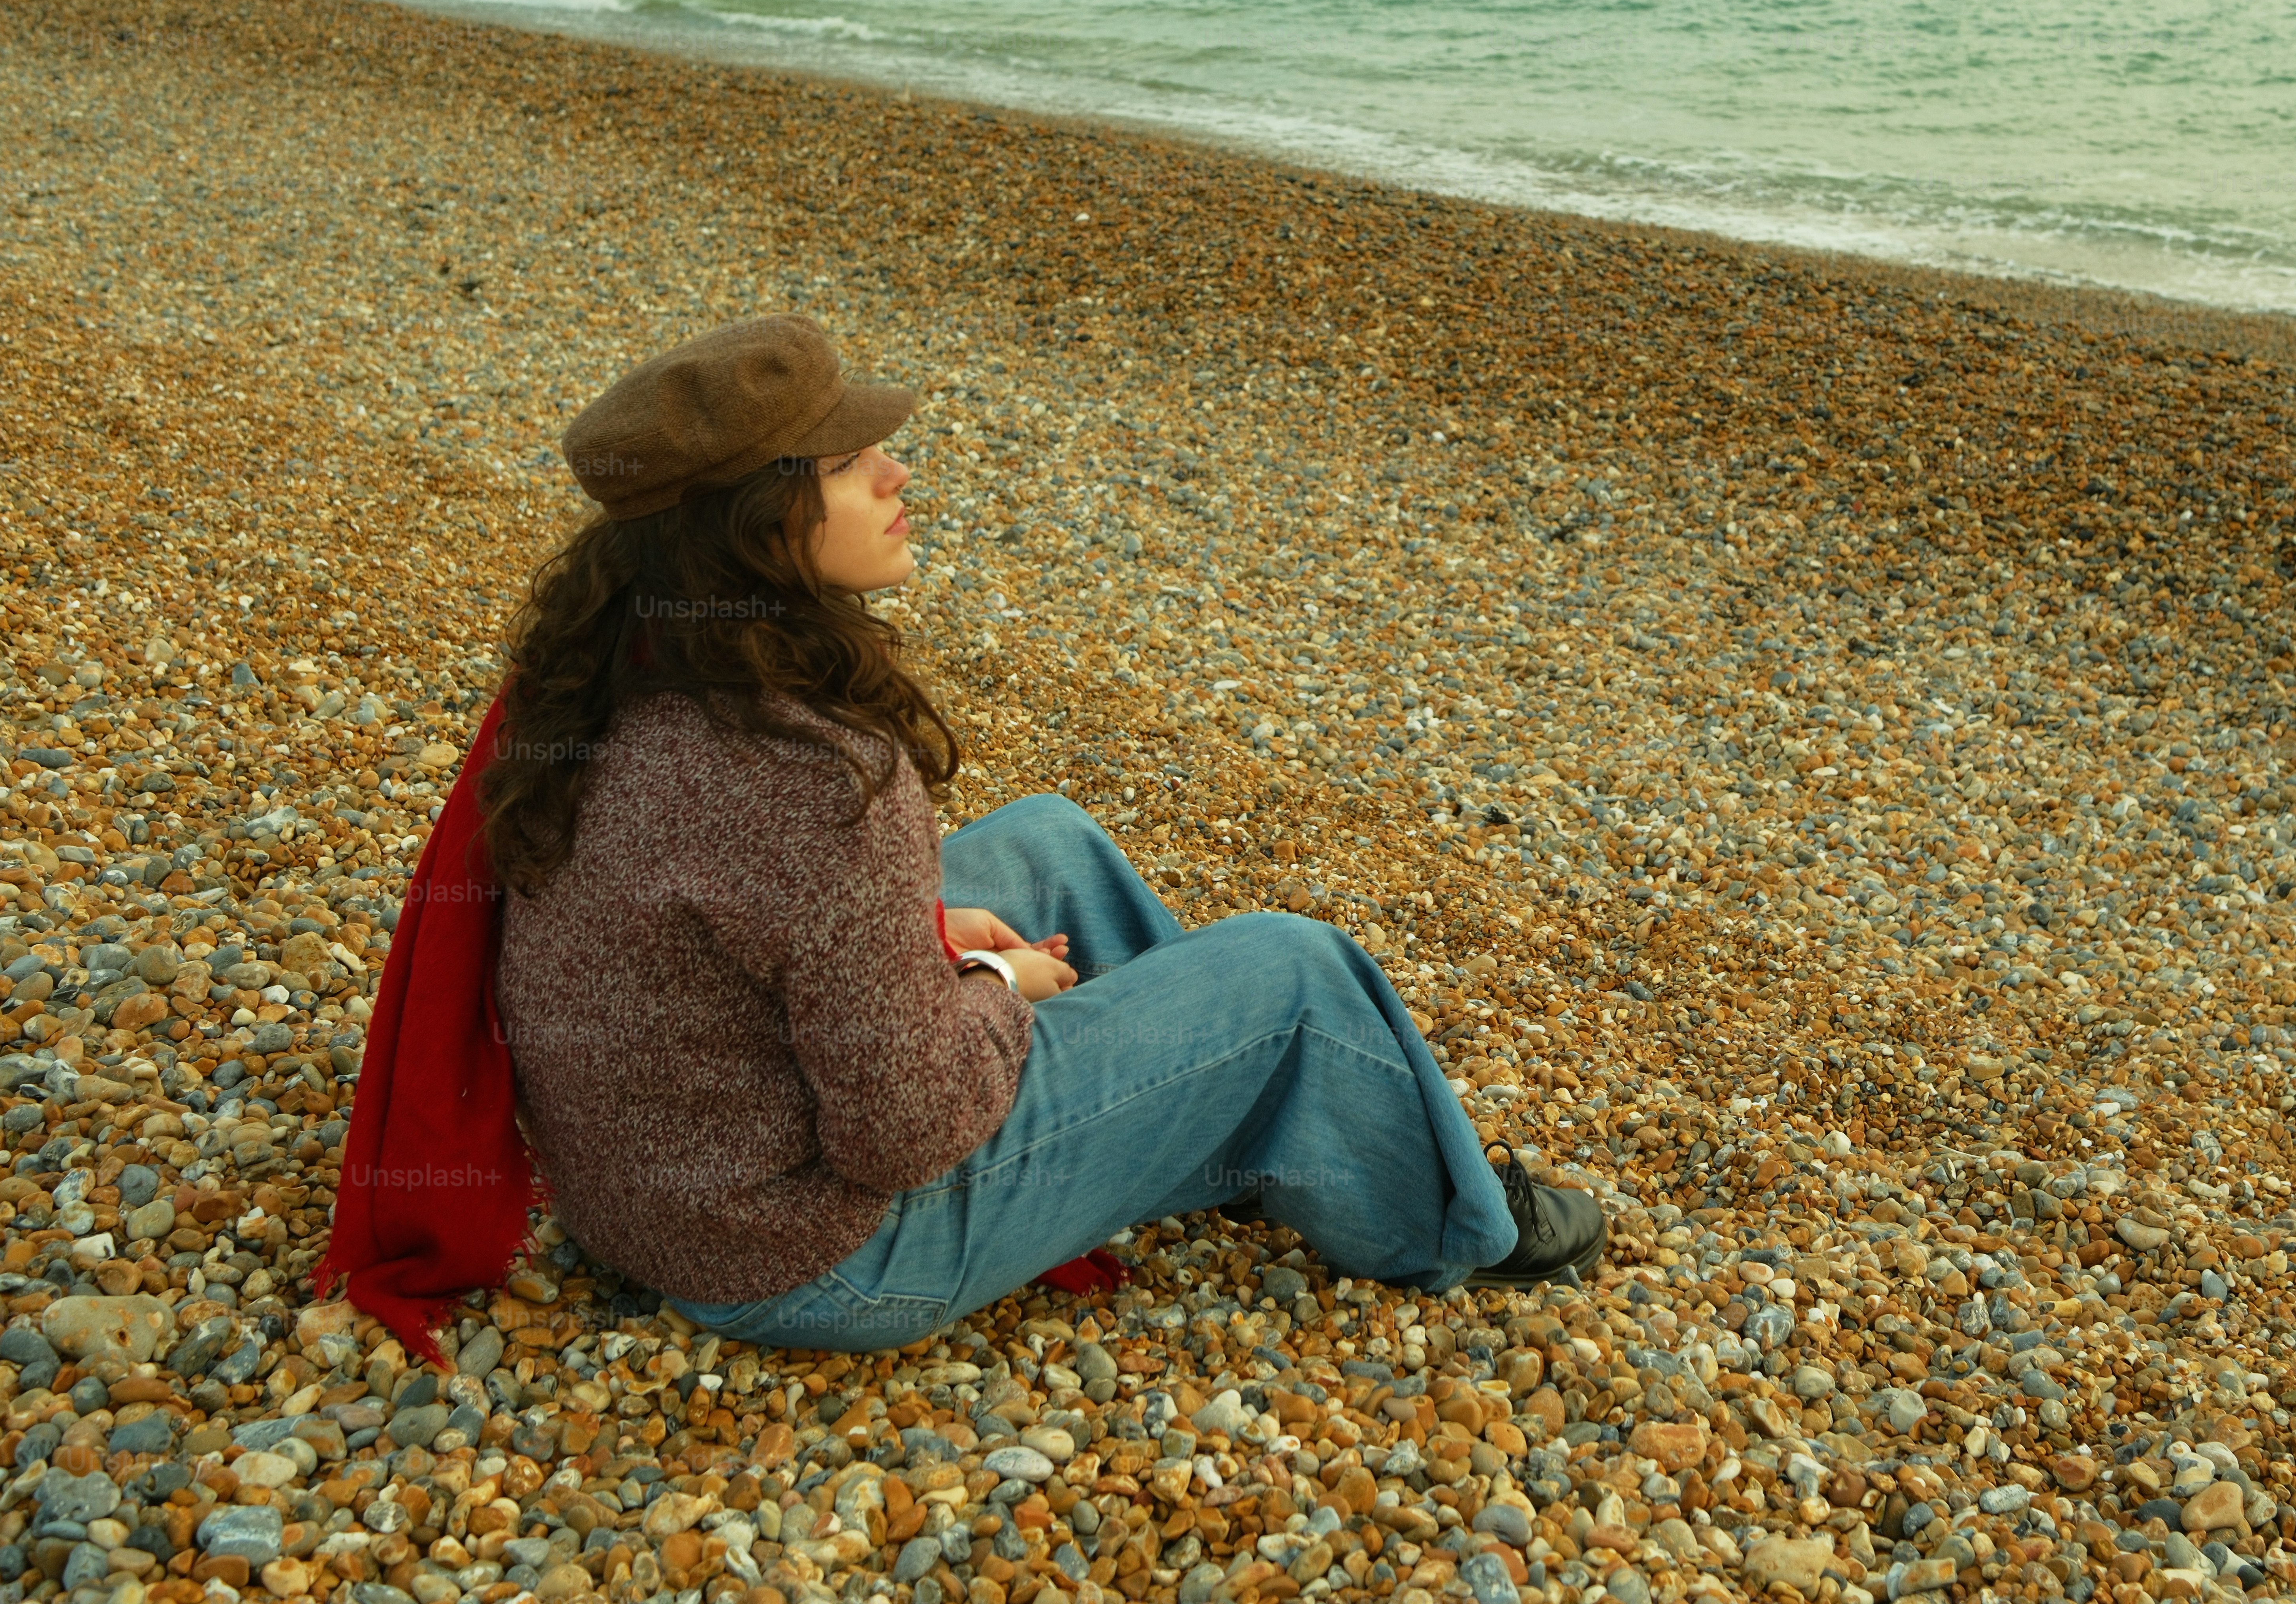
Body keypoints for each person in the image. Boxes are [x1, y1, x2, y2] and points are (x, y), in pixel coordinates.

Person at [398, 313, 1602, 1353]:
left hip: (650, 1193)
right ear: (759, 522)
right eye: (853, 459)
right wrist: (990, 982)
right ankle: (1454, 1225)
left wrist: (914, 933)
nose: (895, 473)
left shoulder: (596, 675)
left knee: (1050, 843)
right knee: (1294, 971)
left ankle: (1247, 1126)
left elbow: (712, 916)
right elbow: (904, 1130)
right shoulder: (820, 780)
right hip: (812, 1263)